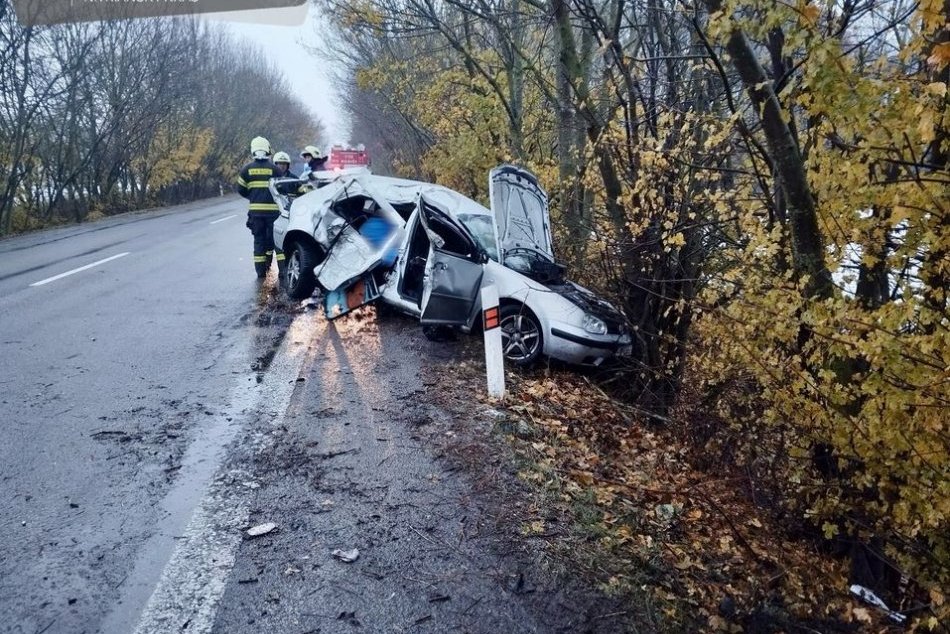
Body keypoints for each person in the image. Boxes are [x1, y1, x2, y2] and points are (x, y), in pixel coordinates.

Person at [237, 136, 285, 280]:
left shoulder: (246, 170)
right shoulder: (275, 169)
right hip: (273, 214)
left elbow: (241, 189)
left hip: (256, 214)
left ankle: (260, 273)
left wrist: (253, 197)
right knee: (277, 243)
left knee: (259, 241)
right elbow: (282, 187)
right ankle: (282, 272)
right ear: (267, 149)